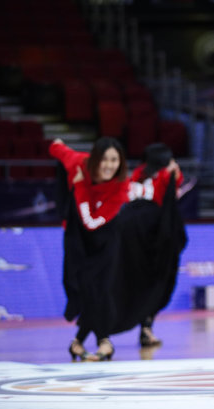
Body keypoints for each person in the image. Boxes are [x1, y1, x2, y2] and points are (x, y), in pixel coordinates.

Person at [50, 136, 129, 361]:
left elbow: (92, 221)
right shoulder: (78, 163)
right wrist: (58, 143)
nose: (109, 165)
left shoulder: (122, 186)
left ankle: (102, 341)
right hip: (77, 240)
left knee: (102, 290)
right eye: (104, 159)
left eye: (114, 160)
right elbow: (56, 148)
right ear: (94, 159)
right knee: (85, 290)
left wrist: (79, 186)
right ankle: (81, 343)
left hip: (105, 240)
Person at [127, 142, 185, 349]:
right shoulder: (166, 175)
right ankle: (146, 327)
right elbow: (173, 195)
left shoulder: (135, 175)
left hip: (133, 238)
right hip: (157, 239)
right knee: (159, 284)